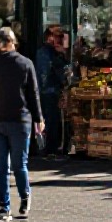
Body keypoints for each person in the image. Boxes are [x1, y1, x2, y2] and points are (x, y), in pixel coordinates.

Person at [0, 27, 44, 222]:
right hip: (18, 119)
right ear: (13, 42)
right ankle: (23, 197)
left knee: (2, 167)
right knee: (18, 164)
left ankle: (4, 207)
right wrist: (39, 119)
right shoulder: (25, 63)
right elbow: (33, 93)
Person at [35, 26, 68, 156]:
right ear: (50, 37)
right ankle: (48, 148)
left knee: (53, 120)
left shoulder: (55, 53)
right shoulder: (45, 53)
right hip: (48, 91)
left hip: (52, 90)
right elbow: (45, 73)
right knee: (50, 120)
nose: (60, 39)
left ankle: (51, 147)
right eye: (57, 36)